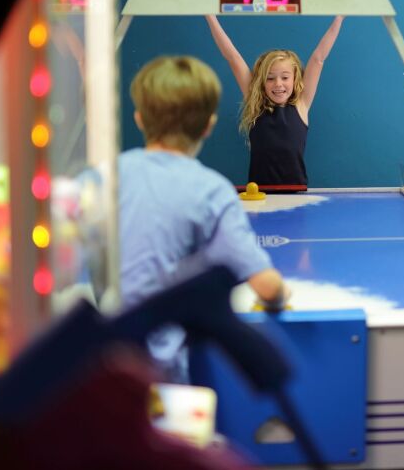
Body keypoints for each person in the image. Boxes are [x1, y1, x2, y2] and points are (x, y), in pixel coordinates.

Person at [119, 54, 287, 383]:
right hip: (163, 373)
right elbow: (267, 287)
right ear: (209, 125)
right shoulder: (213, 191)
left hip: (97, 364)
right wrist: (281, 294)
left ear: (139, 119)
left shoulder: (103, 179)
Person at [205, 14, 344, 190]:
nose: (278, 84)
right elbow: (232, 57)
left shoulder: (301, 105)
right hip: (260, 195)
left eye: (285, 77)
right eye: (270, 78)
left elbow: (318, 58)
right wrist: (209, 16)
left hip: (295, 193)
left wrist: (339, 18)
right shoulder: (256, 105)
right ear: (262, 82)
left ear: (295, 79)